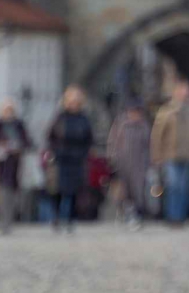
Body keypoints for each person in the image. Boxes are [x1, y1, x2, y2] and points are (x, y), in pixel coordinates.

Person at [150, 80, 189, 227]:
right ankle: (172, 216)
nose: (186, 93)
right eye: (183, 90)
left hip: (188, 156)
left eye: (188, 90)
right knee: (173, 185)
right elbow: (158, 134)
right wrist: (156, 154)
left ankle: (181, 217)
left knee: (184, 187)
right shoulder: (167, 111)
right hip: (170, 155)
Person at [46, 86, 95, 233]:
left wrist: (84, 153)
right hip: (60, 159)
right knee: (57, 190)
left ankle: (70, 219)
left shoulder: (84, 119)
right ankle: (56, 218)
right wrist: (54, 151)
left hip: (76, 159)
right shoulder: (60, 117)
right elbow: (50, 136)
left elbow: (89, 139)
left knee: (74, 191)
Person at [0, 99, 32, 234]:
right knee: (1, 193)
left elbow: (27, 142)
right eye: (6, 110)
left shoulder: (19, 125)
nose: (8, 113)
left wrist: (17, 146)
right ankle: (1, 220)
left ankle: (9, 220)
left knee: (12, 193)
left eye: (10, 110)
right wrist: (0, 146)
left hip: (15, 164)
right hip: (0, 165)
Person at [107, 103, 151, 229]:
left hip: (139, 165)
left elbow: (148, 145)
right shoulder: (121, 125)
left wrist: (149, 162)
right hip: (122, 164)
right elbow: (112, 142)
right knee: (123, 191)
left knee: (138, 192)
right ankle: (124, 213)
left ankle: (136, 215)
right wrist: (112, 158)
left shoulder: (144, 126)